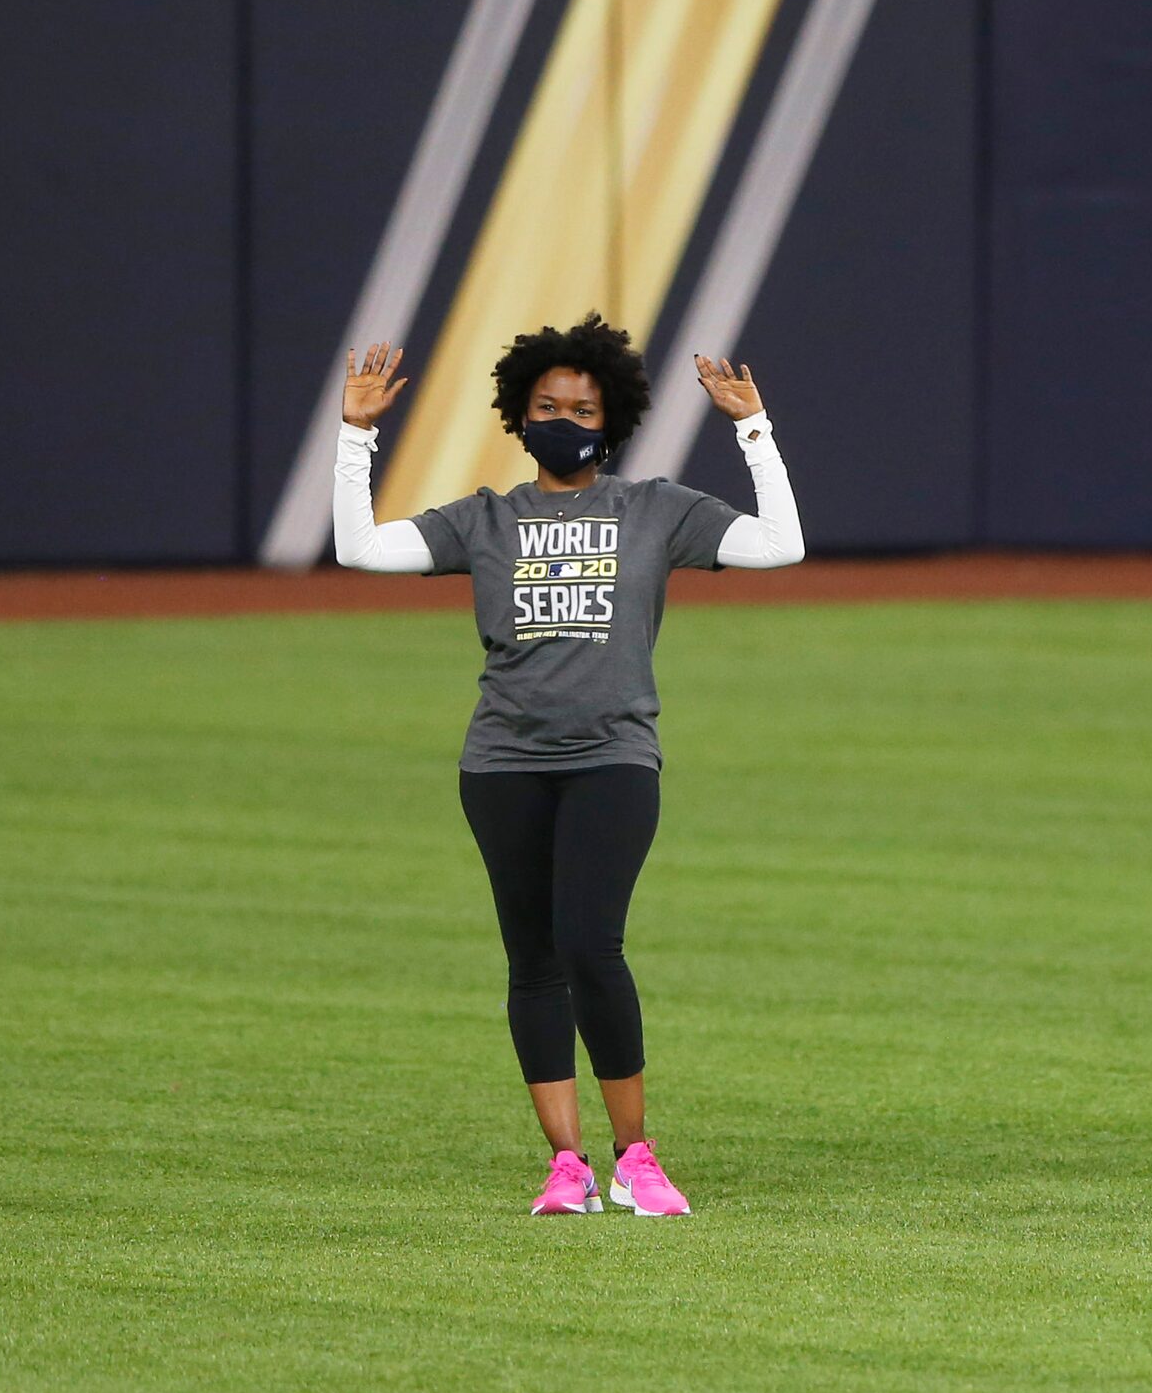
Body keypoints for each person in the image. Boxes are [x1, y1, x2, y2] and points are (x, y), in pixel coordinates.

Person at [329, 318, 805, 1216]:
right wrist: (356, 435)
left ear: (610, 416)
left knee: (592, 944)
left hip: (613, 757)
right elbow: (360, 549)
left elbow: (782, 543)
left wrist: (753, 427)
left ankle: (637, 1155)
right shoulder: (484, 519)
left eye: (581, 406)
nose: (563, 417)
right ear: (518, 415)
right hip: (501, 763)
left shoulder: (656, 509)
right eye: (546, 405)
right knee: (533, 959)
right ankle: (567, 1165)